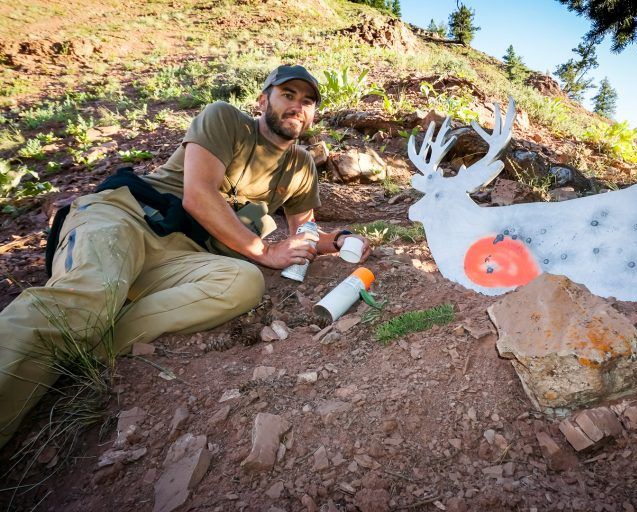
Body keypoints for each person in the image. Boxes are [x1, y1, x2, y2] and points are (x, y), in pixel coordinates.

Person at [0, 64, 370, 449]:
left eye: (307, 101)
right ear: (263, 100)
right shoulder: (225, 119)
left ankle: (92, 347)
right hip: (126, 218)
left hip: (181, 255)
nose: (298, 106)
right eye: (288, 95)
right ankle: (78, 326)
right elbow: (198, 196)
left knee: (243, 282)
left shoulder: (301, 166)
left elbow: (303, 234)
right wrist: (266, 251)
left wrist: (341, 239)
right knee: (87, 301)